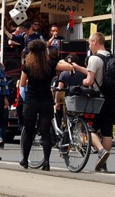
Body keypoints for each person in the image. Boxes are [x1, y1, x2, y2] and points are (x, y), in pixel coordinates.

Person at [18, 40, 75, 170]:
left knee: (29, 131)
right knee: (45, 132)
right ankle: (47, 162)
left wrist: (31, 82)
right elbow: (69, 67)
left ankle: (25, 160)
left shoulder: (28, 65)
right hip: (46, 101)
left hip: (31, 101)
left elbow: (22, 83)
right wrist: (63, 61)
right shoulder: (50, 64)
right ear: (45, 51)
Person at [72, 32, 115, 172]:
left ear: (95, 42)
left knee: (88, 126)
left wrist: (82, 82)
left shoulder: (94, 58)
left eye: (90, 43)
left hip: (97, 100)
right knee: (107, 132)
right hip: (111, 98)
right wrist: (79, 68)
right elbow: (95, 73)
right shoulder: (111, 57)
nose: (89, 46)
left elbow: (90, 80)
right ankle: (103, 164)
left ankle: (101, 150)